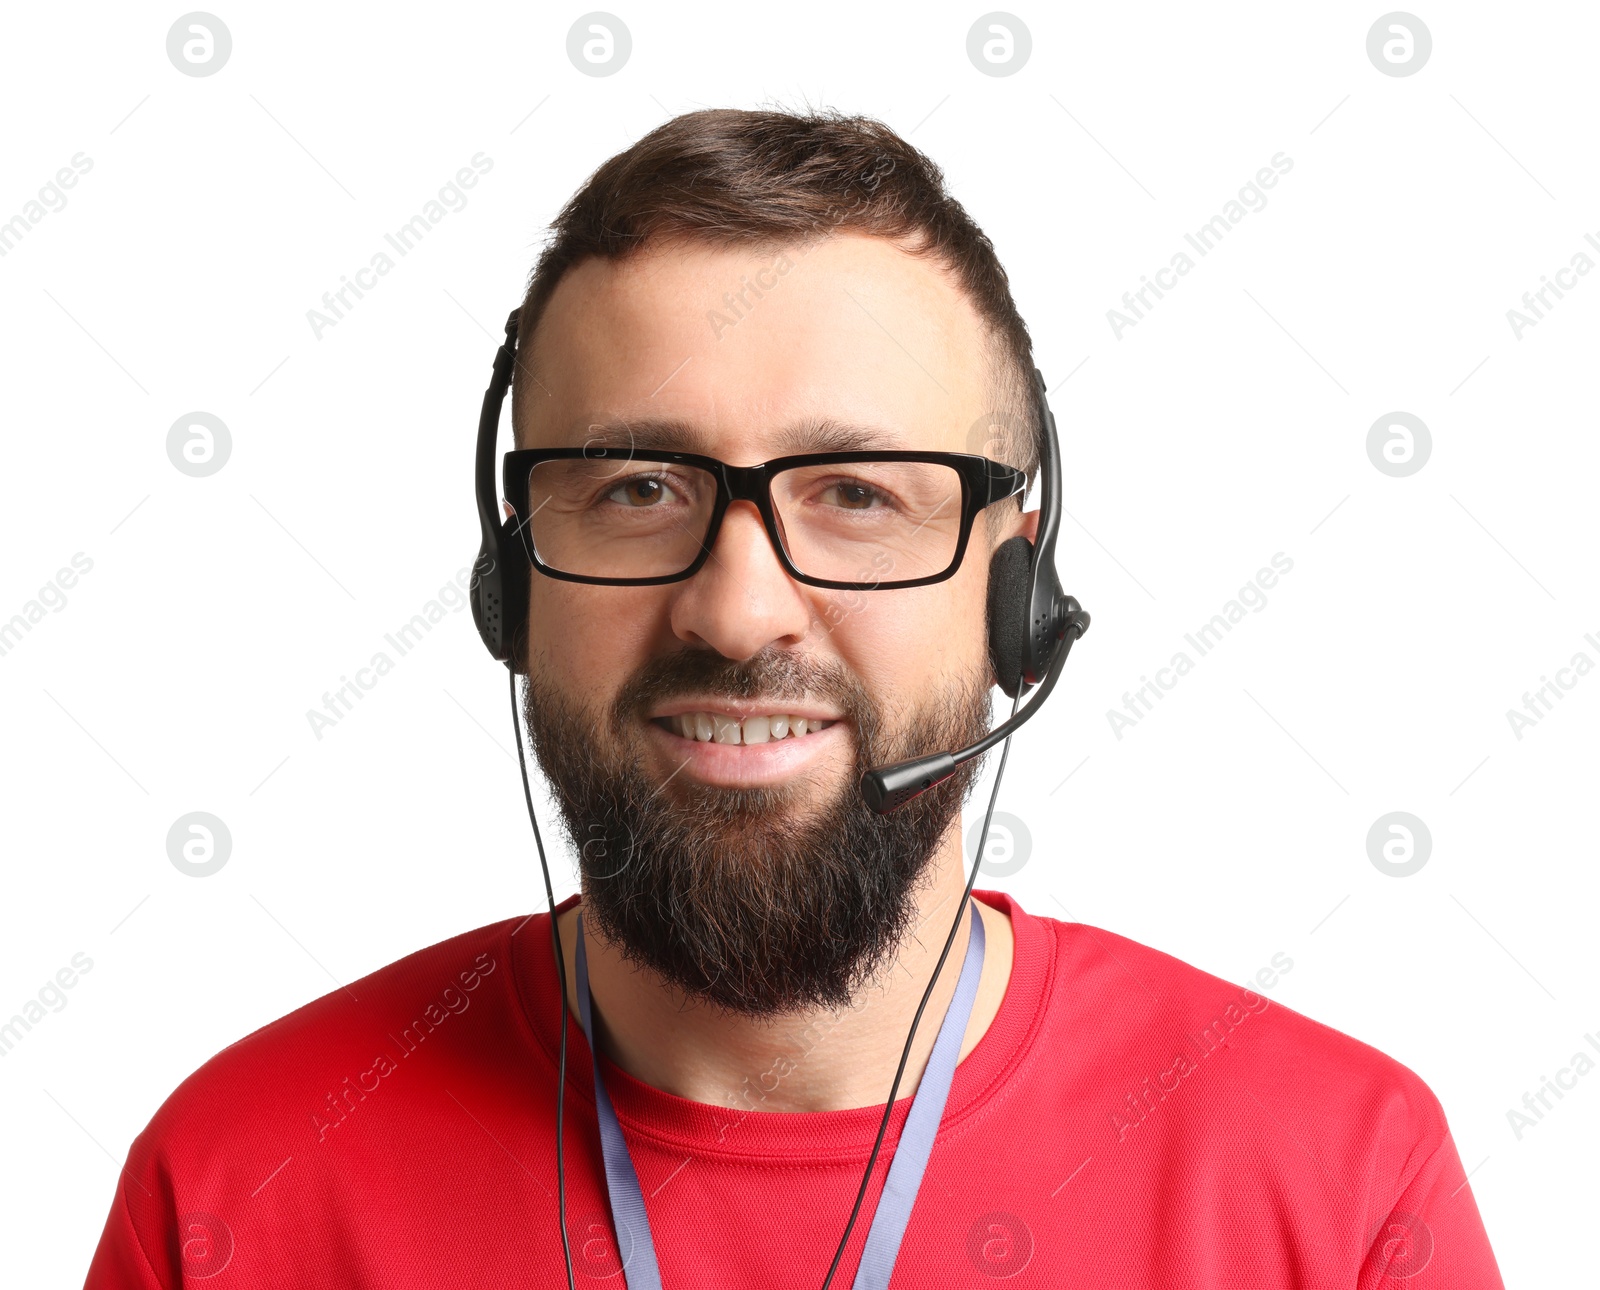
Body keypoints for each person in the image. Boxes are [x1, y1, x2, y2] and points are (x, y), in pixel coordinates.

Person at [84, 107, 1504, 1288]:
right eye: (639, 488)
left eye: (857, 495)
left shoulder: (1341, 1190)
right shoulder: (232, 1191)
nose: (740, 605)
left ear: (1018, 596)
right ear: (513, 583)